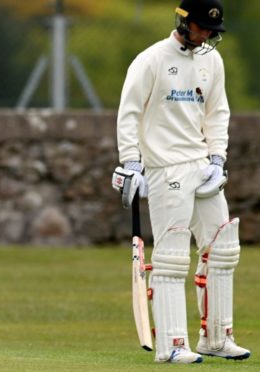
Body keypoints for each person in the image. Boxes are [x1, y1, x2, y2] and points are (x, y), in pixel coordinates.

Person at [112, 0, 251, 364]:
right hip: (164, 167)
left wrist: (218, 158)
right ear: (184, 22)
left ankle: (217, 338)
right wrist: (131, 162)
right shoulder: (151, 59)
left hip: (202, 167)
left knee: (223, 251)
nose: (206, 35)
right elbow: (128, 113)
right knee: (173, 256)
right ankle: (172, 345)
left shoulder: (211, 60)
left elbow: (217, 112)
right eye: (202, 28)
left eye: (212, 31)